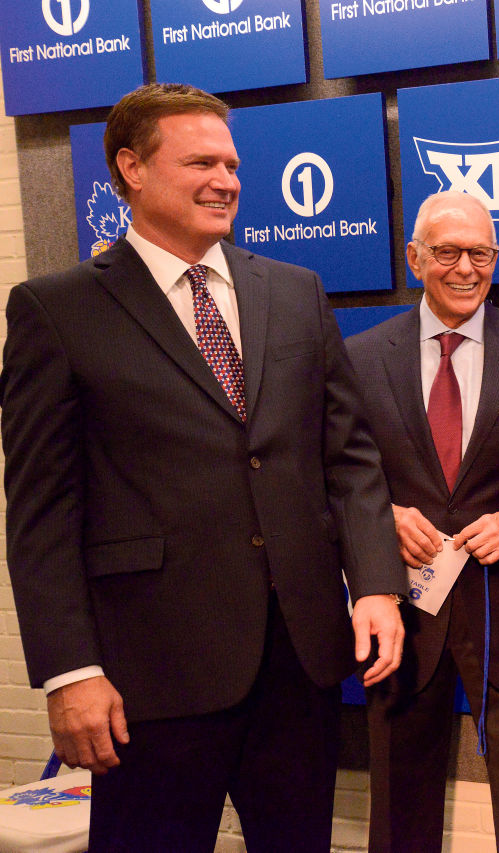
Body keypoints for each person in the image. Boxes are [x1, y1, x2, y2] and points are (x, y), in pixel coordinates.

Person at [0, 83, 406, 852]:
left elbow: (349, 458)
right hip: (148, 676)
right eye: (201, 162)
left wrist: (378, 583)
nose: (226, 179)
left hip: (299, 662)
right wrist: (68, 671)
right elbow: (41, 513)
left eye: (232, 163)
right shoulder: (56, 311)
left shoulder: (295, 291)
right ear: (132, 169)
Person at [346, 191, 499, 853]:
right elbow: (336, 479)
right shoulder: (361, 358)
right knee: (399, 814)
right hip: (403, 615)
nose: (464, 267)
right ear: (414, 258)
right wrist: (383, 517)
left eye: (479, 253)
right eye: (448, 252)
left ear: (496, 259)